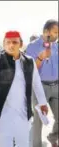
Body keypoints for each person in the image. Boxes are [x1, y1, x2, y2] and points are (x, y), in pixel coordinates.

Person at [0, 10, 48, 147]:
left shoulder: (29, 61)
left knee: (23, 143)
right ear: (3, 44)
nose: (11, 45)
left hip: (22, 114)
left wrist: (43, 102)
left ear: (20, 44)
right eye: (8, 42)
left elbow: (36, 83)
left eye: (14, 42)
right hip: (3, 115)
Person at [26, 19, 58, 147]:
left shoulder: (57, 45)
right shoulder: (32, 46)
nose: (57, 36)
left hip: (57, 86)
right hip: (40, 87)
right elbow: (29, 70)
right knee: (38, 121)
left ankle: (53, 137)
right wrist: (41, 58)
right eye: (55, 32)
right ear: (46, 31)